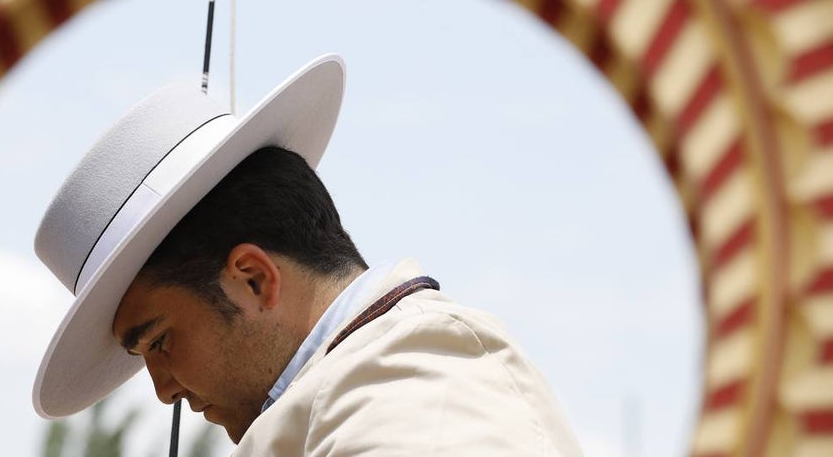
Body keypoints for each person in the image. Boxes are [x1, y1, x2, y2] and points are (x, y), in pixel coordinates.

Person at [33, 55, 582, 455]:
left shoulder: (420, 387)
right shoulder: (370, 387)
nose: (162, 389)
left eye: (159, 340)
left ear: (252, 278)